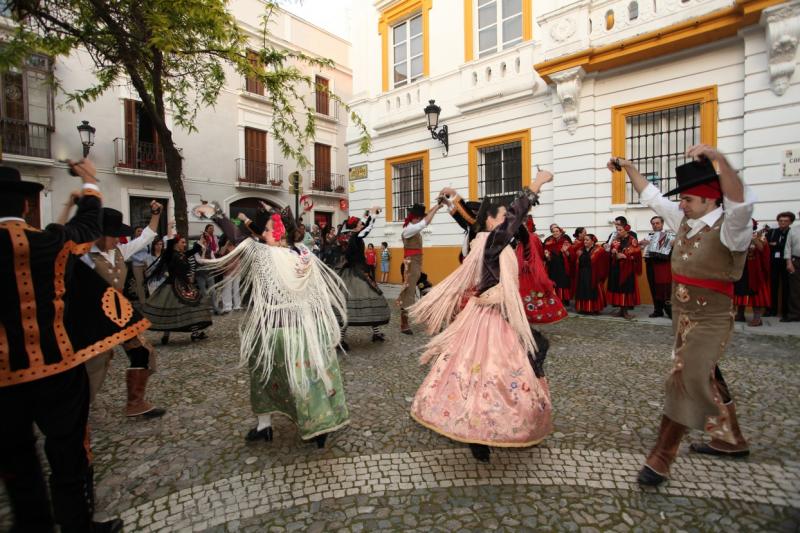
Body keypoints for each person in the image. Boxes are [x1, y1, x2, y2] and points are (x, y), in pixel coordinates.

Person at [1, 161, 149, 532]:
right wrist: (89, 182)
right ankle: (77, 525)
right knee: (68, 453)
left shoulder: (52, 238)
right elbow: (87, 224)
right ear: (23, 207)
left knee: (18, 463)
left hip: (3, 380)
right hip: (57, 368)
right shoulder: (49, 242)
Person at [610, 144, 755, 487]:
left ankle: (662, 456)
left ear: (708, 199)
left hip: (713, 319)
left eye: (687, 199)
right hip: (683, 318)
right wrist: (629, 167)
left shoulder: (731, 227)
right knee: (707, 375)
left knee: (685, 377)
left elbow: (741, 202)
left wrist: (719, 158)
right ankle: (731, 439)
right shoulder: (684, 219)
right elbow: (652, 197)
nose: (680, 205)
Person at [408, 170, 555, 463]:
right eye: (501, 217)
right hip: (489, 320)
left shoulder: (489, 241)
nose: (506, 221)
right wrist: (536, 184)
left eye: (504, 218)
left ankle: (485, 429)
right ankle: (480, 431)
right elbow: (515, 217)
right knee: (489, 373)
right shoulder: (492, 241)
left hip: (497, 314)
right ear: (490, 220)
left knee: (495, 371)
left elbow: (512, 225)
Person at [204, 205, 350, 448]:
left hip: (274, 332)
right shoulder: (304, 254)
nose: (264, 234)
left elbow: (239, 239)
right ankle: (318, 428)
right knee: (309, 379)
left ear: (279, 232)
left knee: (266, 375)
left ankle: (266, 425)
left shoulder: (265, 255)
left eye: (268, 230)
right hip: (306, 331)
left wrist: (217, 214)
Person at [78, 203, 167, 419]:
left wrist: (156, 215)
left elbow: (146, 237)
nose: (118, 239)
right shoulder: (84, 257)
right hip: (95, 317)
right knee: (96, 363)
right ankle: (77, 407)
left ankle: (135, 403)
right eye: (113, 235)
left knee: (143, 352)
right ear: (99, 234)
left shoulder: (119, 250)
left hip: (120, 313)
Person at [142, 234, 213, 344]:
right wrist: (171, 233)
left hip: (183, 284)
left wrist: (201, 241)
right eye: (182, 243)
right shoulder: (172, 255)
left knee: (191, 307)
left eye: (185, 243)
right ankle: (167, 335)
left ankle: (193, 333)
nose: (184, 245)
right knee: (174, 309)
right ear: (176, 244)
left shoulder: (181, 255)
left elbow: (192, 251)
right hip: (174, 285)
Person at [337, 210, 391, 347]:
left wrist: (369, 213)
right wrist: (374, 215)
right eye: (360, 224)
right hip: (358, 271)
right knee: (364, 300)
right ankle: (340, 339)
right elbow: (368, 228)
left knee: (354, 304)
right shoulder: (357, 235)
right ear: (356, 226)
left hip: (352, 270)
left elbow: (364, 224)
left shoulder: (348, 235)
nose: (362, 225)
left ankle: (376, 332)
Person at [398, 201, 444, 335]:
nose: (421, 219)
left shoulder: (413, 227)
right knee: (408, 294)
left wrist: (437, 205)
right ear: (415, 217)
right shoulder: (409, 229)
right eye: (419, 217)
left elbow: (424, 220)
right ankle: (404, 323)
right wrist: (436, 209)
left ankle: (431, 320)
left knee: (426, 288)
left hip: (416, 265)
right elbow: (425, 222)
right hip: (410, 265)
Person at [733, 222, 771, 326]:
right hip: (742, 268)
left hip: (755, 270)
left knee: (755, 292)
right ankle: (740, 315)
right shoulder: (739, 237)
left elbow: (762, 249)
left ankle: (757, 318)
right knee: (741, 290)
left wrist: (753, 238)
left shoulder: (760, 237)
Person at [640, 216, 675, 318]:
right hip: (650, 263)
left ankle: (669, 310)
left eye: (657, 223)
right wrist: (642, 245)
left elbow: (673, 248)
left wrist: (673, 244)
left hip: (662, 264)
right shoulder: (649, 236)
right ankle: (657, 310)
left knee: (664, 287)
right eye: (653, 223)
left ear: (662, 224)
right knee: (653, 287)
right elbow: (641, 247)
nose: (655, 225)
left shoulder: (670, 235)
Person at [605, 222, 642, 319]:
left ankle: (625, 311)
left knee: (626, 288)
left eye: (620, 230)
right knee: (618, 288)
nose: (618, 231)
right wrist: (612, 253)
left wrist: (626, 256)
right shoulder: (616, 240)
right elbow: (611, 252)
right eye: (617, 230)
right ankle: (621, 310)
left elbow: (637, 253)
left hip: (627, 268)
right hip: (616, 267)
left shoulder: (632, 240)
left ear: (626, 230)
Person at [766, 212, 794, 318]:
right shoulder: (773, 232)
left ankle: (785, 312)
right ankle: (771, 310)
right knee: (773, 286)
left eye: (785, 221)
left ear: (790, 222)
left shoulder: (792, 232)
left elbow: (790, 245)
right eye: (781, 221)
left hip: (786, 262)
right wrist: (777, 245)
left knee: (786, 287)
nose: (782, 223)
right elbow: (767, 244)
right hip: (773, 263)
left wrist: (776, 244)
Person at [573, 234, 609, 314]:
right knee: (582, 290)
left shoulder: (599, 250)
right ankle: (583, 308)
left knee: (593, 291)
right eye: (584, 240)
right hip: (582, 273)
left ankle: (594, 308)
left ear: (592, 241)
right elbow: (579, 261)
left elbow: (597, 262)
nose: (585, 241)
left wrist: (582, 257)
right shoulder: (580, 250)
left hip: (594, 274)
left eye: (587, 240)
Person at [543, 224, 573, 306]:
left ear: (560, 232)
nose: (555, 233)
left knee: (563, 282)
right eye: (553, 232)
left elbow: (571, 255)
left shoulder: (565, 241)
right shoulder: (548, 242)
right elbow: (547, 257)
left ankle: (564, 300)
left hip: (562, 265)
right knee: (554, 282)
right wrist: (547, 255)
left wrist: (566, 251)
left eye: (557, 231)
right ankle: (555, 299)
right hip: (552, 266)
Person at [784, 212, 800, 321]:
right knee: (795, 290)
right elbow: (788, 247)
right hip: (796, 261)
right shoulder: (793, 230)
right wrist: (788, 262)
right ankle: (794, 314)